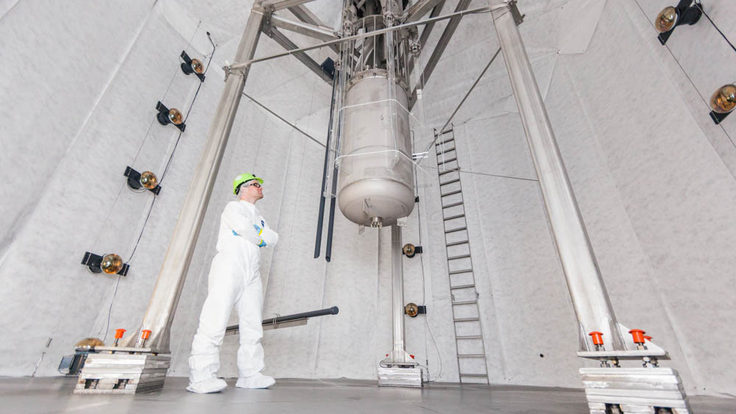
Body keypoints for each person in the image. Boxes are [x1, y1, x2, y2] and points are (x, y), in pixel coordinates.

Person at [187, 173, 279, 393]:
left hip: (252, 272)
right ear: (243, 189)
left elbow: (273, 238)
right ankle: (201, 377)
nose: (260, 187)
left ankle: (250, 374)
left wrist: (259, 234)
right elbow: (245, 229)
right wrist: (260, 235)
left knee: (252, 324)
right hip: (229, 266)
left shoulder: (259, 217)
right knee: (215, 320)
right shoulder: (233, 207)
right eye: (255, 184)